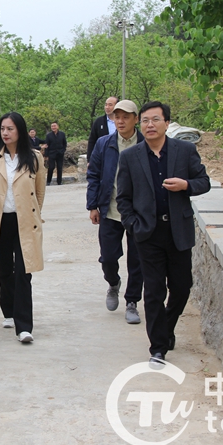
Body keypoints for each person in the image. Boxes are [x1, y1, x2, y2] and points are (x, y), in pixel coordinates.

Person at [117, 101, 210, 369]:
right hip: (148, 233)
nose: (150, 125)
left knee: (181, 287)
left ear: (167, 123)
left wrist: (186, 185)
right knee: (154, 291)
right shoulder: (130, 156)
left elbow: (204, 182)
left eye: (155, 119)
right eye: (145, 120)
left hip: (178, 230)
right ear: (140, 123)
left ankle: (166, 328)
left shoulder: (185, 150)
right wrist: (133, 224)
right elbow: (123, 198)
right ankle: (157, 347)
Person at [0, 112, 46, 343]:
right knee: (5, 268)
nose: (5, 133)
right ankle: (8, 310)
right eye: (2, 129)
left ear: (20, 130)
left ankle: (24, 326)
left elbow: (39, 191)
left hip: (24, 221)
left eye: (10, 129)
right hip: (0, 220)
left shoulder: (34, 157)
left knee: (24, 271)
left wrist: (33, 213)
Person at [86, 100, 144, 324]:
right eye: (117, 117)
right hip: (110, 209)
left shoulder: (145, 143)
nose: (120, 121)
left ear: (136, 119)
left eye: (126, 117)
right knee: (108, 257)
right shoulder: (104, 144)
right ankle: (113, 283)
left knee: (137, 259)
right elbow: (94, 175)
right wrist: (93, 205)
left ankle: (132, 302)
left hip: (138, 213)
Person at [86, 96, 119, 163]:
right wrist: (89, 160)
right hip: (102, 157)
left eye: (110, 105)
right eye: (106, 105)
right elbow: (92, 141)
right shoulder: (99, 122)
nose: (107, 107)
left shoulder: (121, 122)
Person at [44, 121, 67, 185]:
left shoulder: (62, 134)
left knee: (59, 167)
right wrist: (46, 155)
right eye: (52, 126)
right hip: (51, 153)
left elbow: (64, 143)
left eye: (54, 126)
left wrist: (63, 150)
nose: (53, 127)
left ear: (57, 127)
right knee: (51, 167)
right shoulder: (48, 135)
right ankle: (48, 181)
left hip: (60, 153)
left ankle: (59, 181)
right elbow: (46, 145)